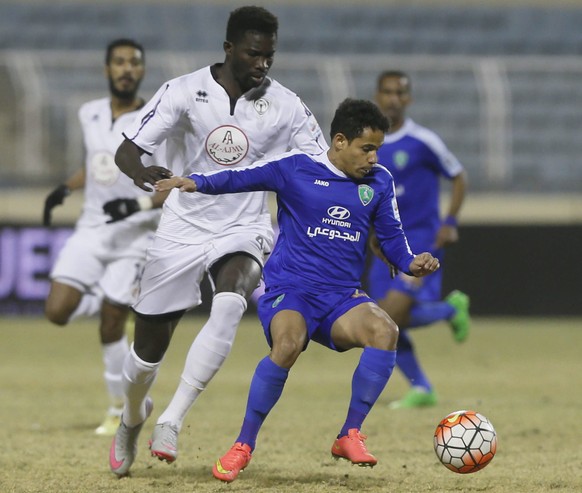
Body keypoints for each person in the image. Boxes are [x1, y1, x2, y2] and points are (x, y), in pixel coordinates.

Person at [154, 98, 440, 483]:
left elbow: (391, 238)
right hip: (290, 290)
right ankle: (243, 445)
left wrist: (410, 263)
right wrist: (196, 182)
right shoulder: (296, 169)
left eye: (377, 150)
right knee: (288, 344)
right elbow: (242, 177)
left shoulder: (379, 182)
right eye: (366, 148)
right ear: (340, 141)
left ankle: (348, 434)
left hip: (340, 296)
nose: (373, 158)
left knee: (384, 331)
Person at [108, 6, 327, 477]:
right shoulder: (185, 91)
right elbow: (128, 148)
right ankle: (131, 417)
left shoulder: (287, 105)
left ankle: (172, 418)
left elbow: (321, 167)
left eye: (269, 56)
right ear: (229, 49)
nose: (262, 65)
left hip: (243, 226)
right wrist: (142, 172)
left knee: (231, 302)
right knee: (146, 352)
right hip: (182, 226)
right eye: (253, 54)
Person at [43, 39, 167, 436]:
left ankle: (118, 407)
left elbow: (168, 184)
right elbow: (95, 164)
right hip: (92, 229)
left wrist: (137, 208)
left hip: (136, 235)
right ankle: (105, 298)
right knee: (56, 311)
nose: (126, 68)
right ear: (107, 69)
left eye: (134, 62)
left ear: (143, 71)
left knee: (112, 325)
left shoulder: (156, 120)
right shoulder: (89, 113)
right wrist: (65, 188)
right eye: (119, 62)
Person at [365, 70, 470, 410]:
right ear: (378, 96)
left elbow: (458, 176)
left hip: (420, 243)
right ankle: (423, 384)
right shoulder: (369, 145)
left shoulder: (423, 140)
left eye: (400, 93)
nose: (394, 98)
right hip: (385, 244)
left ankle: (424, 378)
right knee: (382, 319)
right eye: (388, 92)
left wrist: (449, 221)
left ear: (408, 99)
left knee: (391, 315)